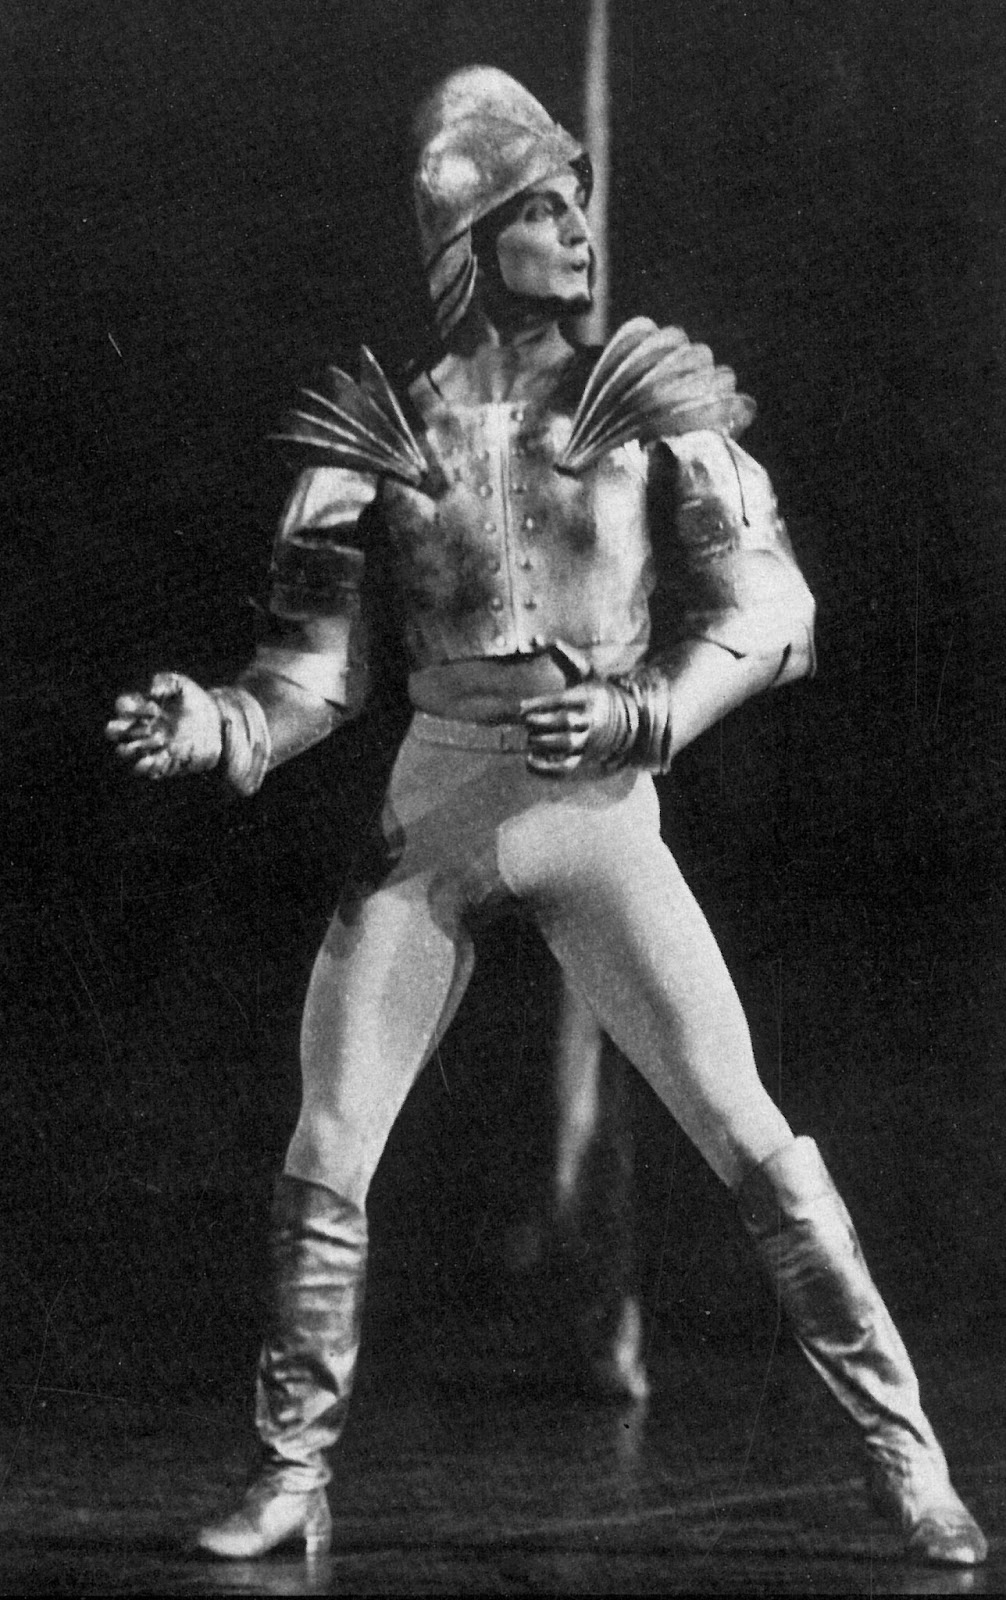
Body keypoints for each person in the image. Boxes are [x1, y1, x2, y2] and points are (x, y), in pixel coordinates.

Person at [105, 66, 986, 1567]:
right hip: (438, 810)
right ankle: (291, 1467)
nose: (579, 232)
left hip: (597, 814)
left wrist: (641, 709)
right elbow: (315, 669)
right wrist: (223, 722)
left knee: (745, 1126)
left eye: (577, 206)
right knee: (328, 1138)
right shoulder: (377, 435)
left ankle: (906, 1455)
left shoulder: (643, 404)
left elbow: (775, 611)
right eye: (543, 211)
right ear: (471, 239)